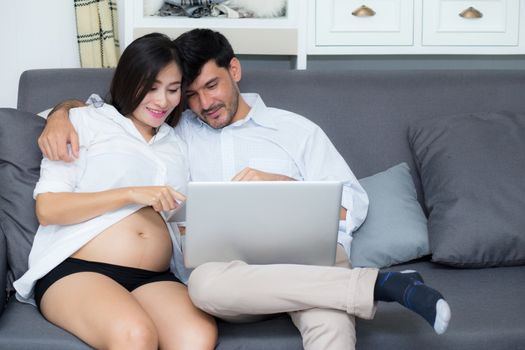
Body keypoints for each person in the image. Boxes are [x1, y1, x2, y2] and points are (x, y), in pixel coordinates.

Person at [37, 28, 451, 350]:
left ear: (234, 71)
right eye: (192, 94)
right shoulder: (179, 133)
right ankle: (378, 285)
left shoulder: (294, 130)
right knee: (204, 286)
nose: (203, 104)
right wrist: (61, 112)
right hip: (229, 274)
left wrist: (284, 187)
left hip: (308, 259)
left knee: (329, 319)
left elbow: (353, 202)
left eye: (211, 86)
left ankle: (361, 287)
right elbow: (109, 114)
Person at [13, 33, 217, 350]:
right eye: (151, 87)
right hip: (78, 269)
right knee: (134, 336)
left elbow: (178, 219)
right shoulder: (85, 121)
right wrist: (130, 193)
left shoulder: (175, 143)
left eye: (173, 90)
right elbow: (49, 209)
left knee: (197, 337)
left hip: (155, 276)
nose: (162, 101)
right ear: (127, 80)